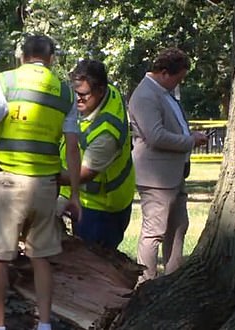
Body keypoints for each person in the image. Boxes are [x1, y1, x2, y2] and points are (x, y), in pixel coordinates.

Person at [0, 34, 82, 330]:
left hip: (8, 185)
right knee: (42, 259)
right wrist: (75, 196)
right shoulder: (66, 93)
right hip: (46, 187)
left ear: (22, 56)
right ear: (51, 59)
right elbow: (72, 148)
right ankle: (44, 324)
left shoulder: (6, 81)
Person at [128, 47, 208, 283]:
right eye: (178, 78)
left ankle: (172, 281)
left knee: (179, 226)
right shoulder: (145, 96)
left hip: (174, 174)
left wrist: (188, 134)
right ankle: (146, 283)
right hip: (156, 177)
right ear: (164, 72)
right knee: (154, 233)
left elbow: (170, 128)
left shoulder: (164, 94)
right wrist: (190, 141)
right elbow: (155, 136)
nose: (178, 83)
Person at [56, 59, 135, 249]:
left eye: (83, 95)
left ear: (100, 90)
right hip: (86, 199)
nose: (77, 99)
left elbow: (85, 174)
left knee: (92, 264)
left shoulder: (106, 133)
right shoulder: (109, 94)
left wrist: (45, 175)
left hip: (100, 210)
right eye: (75, 92)